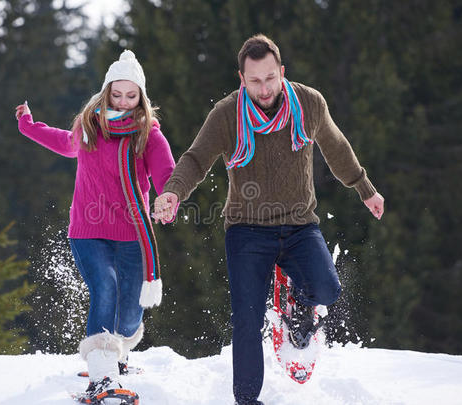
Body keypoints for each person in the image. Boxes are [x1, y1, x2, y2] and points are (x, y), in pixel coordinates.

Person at [153, 34, 384, 405]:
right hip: (247, 231)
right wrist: (173, 192)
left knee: (327, 290)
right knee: (247, 319)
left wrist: (365, 188)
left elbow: (336, 146)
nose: (264, 88)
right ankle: (247, 399)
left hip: (299, 225)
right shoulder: (227, 114)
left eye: (271, 78)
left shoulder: (309, 103)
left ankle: (295, 301)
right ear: (241, 79)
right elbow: (196, 159)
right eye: (255, 80)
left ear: (281, 72)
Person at [15, 50, 175, 401]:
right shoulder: (88, 128)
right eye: (116, 94)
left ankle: (116, 351)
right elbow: (62, 141)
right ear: (105, 93)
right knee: (106, 287)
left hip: (132, 234)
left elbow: (166, 174)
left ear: (141, 98)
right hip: (87, 231)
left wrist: (168, 198)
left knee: (131, 311)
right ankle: (102, 377)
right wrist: (28, 125)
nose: (122, 101)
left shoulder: (147, 135)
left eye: (130, 96)